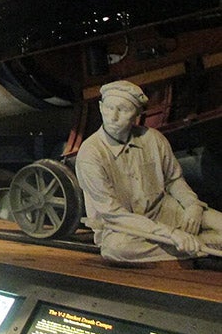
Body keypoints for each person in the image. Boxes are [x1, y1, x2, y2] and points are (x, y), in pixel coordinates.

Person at [75, 80, 222, 263]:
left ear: (137, 114)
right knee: (117, 250)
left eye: (123, 110)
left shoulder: (153, 139)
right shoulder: (91, 153)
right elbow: (114, 214)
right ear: (100, 107)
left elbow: (174, 180)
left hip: (166, 211)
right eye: (109, 108)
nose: (113, 116)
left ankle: (193, 245)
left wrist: (192, 206)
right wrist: (171, 234)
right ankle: (203, 245)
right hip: (123, 227)